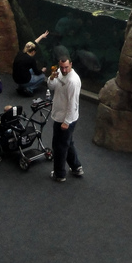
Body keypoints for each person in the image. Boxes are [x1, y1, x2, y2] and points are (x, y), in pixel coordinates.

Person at [47, 53, 83, 182]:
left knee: (59, 146)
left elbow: (73, 104)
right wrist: (51, 78)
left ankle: (59, 174)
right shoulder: (59, 72)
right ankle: (76, 167)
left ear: (71, 65)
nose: (63, 70)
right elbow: (51, 86)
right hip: (58, 115)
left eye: (66, 67)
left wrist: (67, 122)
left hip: (66, 120)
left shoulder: (73, 81)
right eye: (61, 67)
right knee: (68, 143)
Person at [12, 31, 50, 96]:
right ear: (32, 52)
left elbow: (33, 43)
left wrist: (42, 36)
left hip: (16, 79)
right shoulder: (31, 59)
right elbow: (37, 72)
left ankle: (21, 87)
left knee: (29, 70)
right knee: (42, 77)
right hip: (24, 80)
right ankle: (29, 89)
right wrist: (42, 70)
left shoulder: (20, 53)